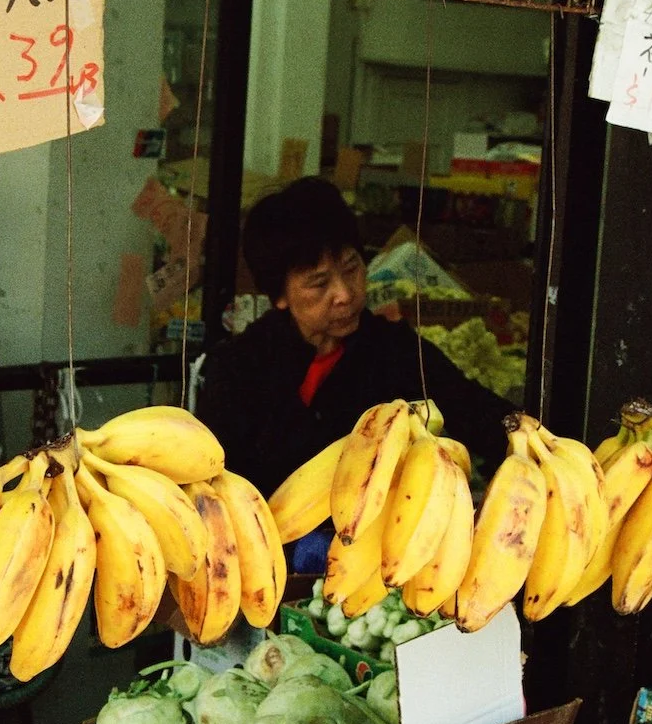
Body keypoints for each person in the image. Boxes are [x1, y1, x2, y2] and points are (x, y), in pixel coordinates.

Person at [196, 177, 511, 509]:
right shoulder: (239, 367)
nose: (345, 295)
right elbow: (212, 479)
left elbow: (476, 412)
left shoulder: (394, 350)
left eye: (352, 269)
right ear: (280, 296)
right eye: (319, 284)